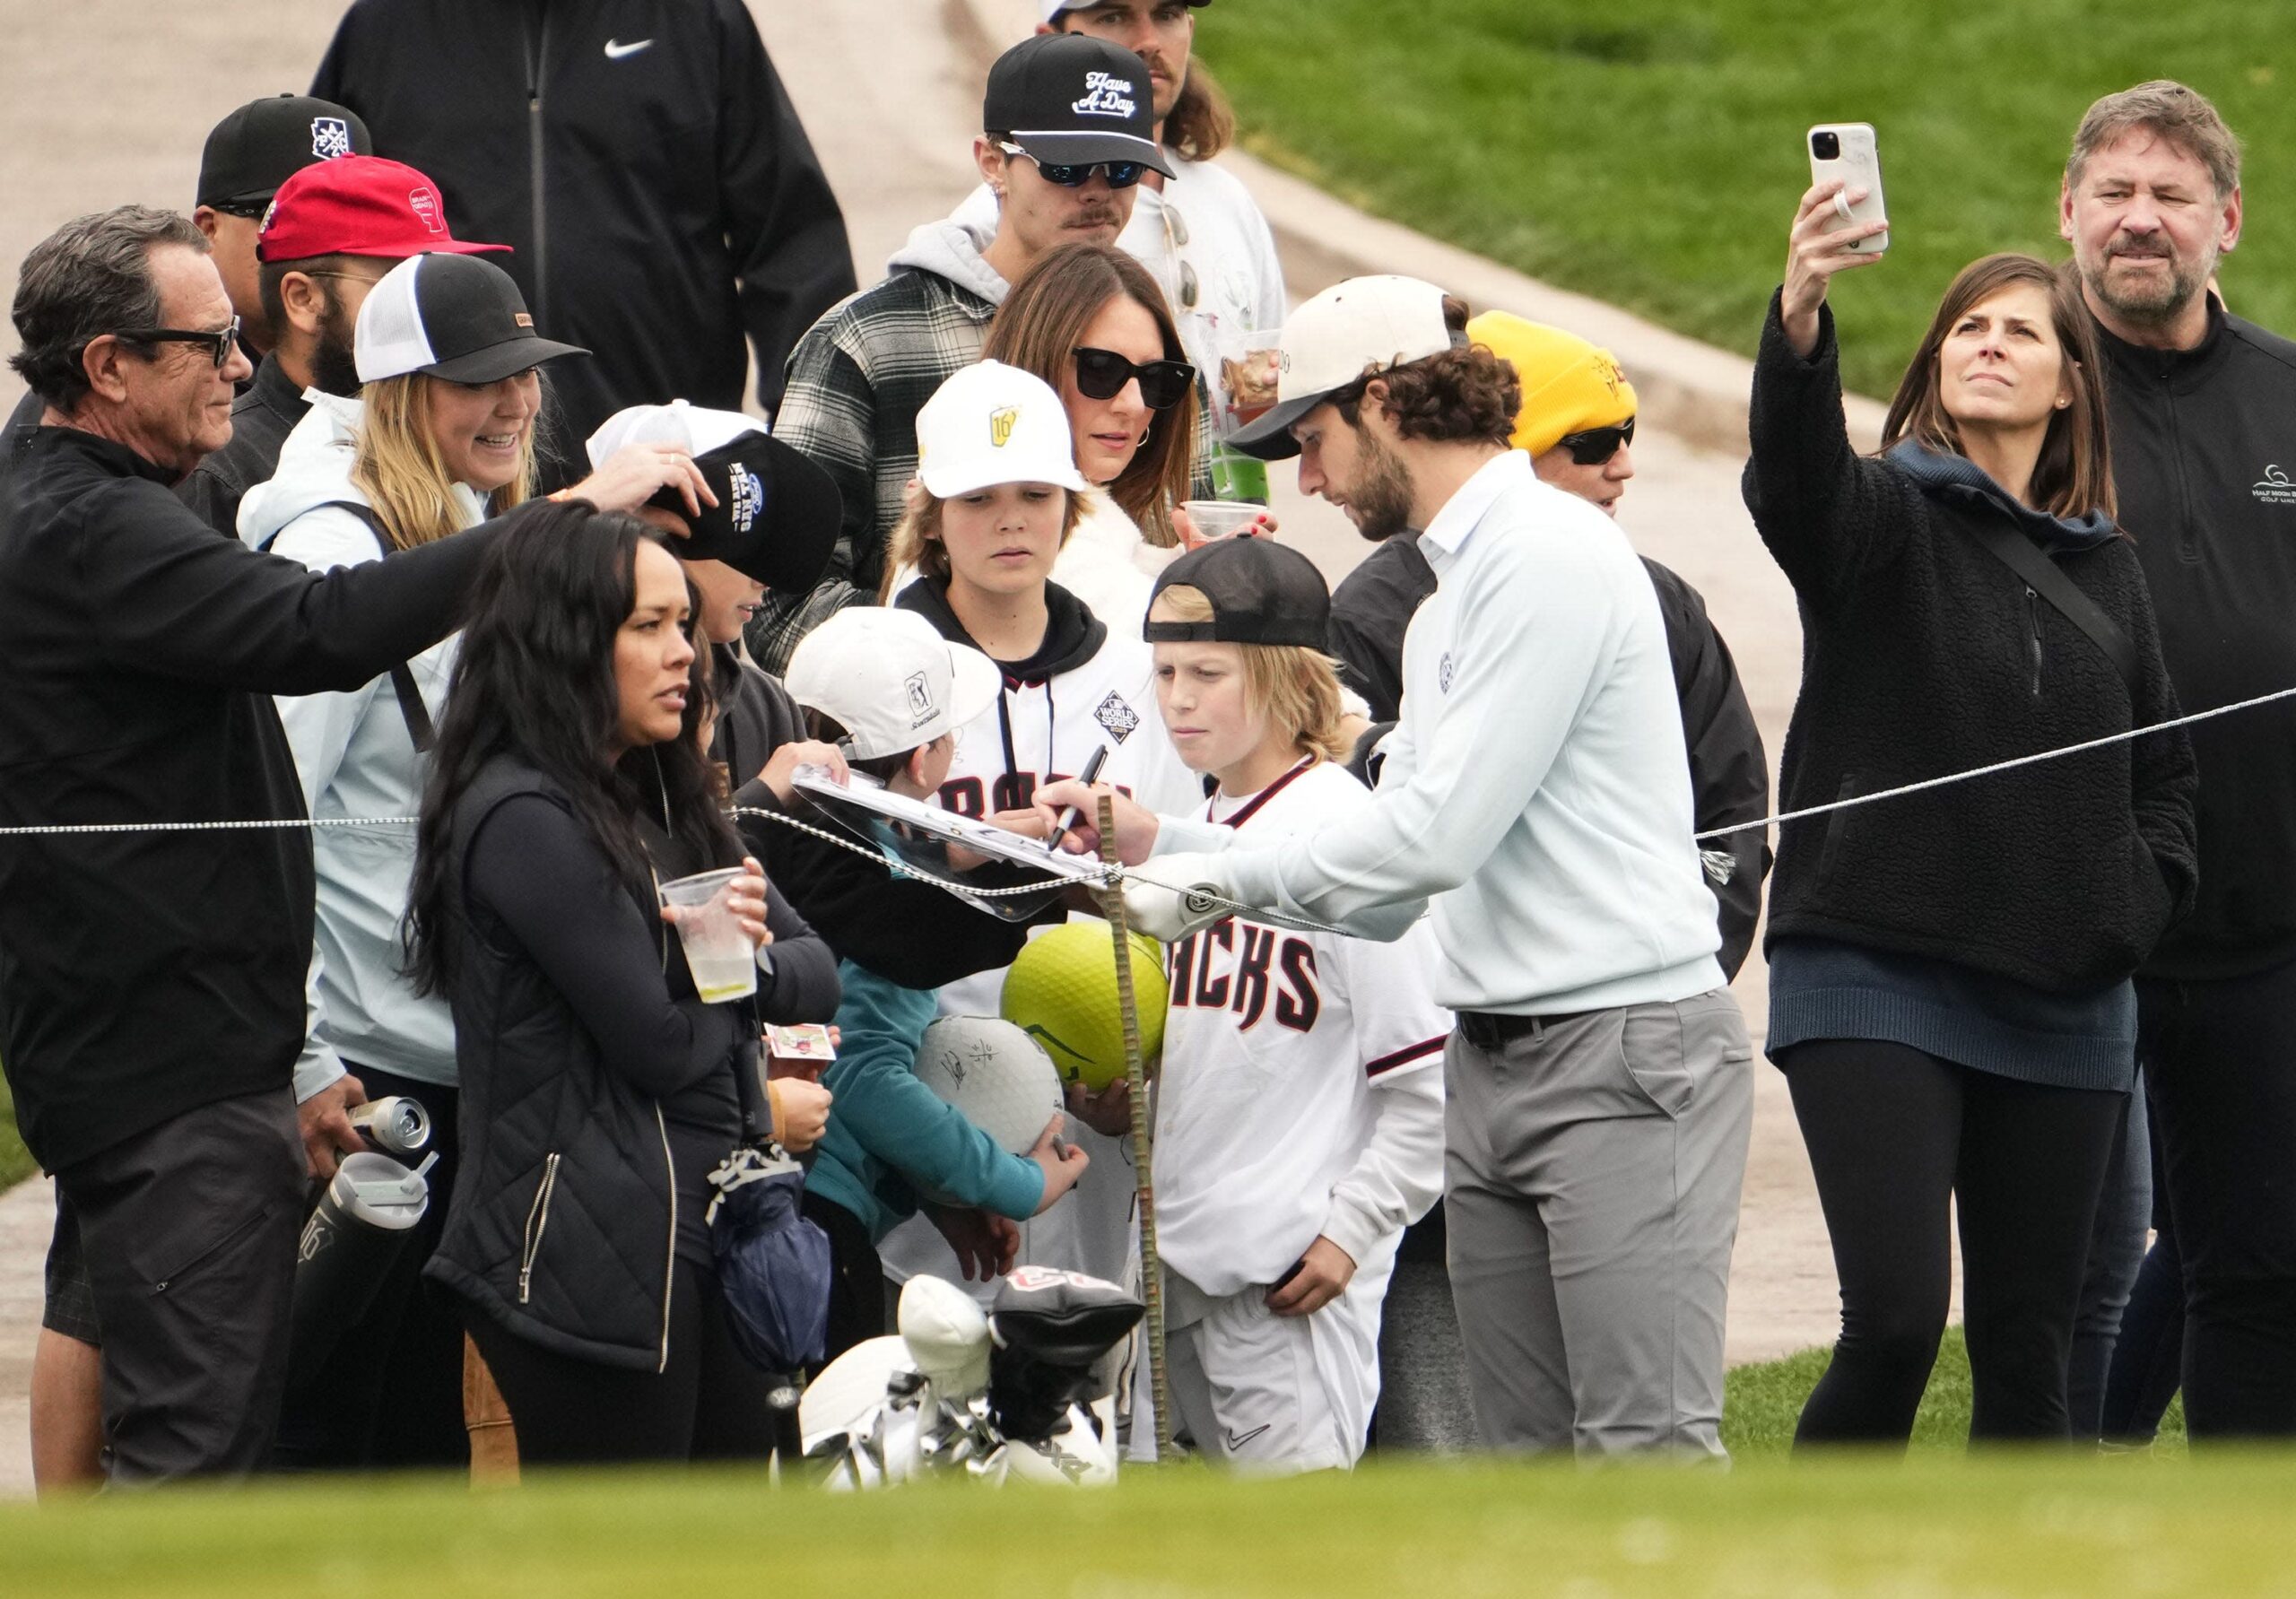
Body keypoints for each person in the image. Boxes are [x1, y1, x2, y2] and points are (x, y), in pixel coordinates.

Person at [1046, 274, 1756, 1457]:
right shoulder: (1445, 601)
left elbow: (1428, 842)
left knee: (1647, 1446)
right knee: (1522, 1461)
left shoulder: (1549, 553)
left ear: (1384, 400)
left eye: (1314, 440)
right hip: (1497, 1057)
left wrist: (1195, 875)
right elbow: (1382, 889)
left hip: (1625, 1051)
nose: (1310, 479)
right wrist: (1163, 842)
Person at [0, 206, 564, 1482]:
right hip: (174, 1075)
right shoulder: (93, 522)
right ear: (106, 365)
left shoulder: (83, 487)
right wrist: (550, 531)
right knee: (203, 1461)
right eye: (209, 345)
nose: (242, 369)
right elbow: (316, 626)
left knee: (251, 1438)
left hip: (180, 1058)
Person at [238, 250, 717, 1469]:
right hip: (365, 1072)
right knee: (336, 1427)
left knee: (426, 1436)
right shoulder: (335, 556)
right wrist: (300, 1060)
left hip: (470, 1054)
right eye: (472, 381)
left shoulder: (479, 534)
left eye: (522, 376)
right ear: (400, 391)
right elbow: (270, 817)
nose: (510, 404)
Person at [1745, 187, 2197, 1445]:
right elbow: (1792, 480)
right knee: (1894, 1321)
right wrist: (1801, 309)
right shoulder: (1877, 517)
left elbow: (2164, 778)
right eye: (1967, 327)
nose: (1988, 342)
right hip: (1875, 969)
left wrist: (2131, 902)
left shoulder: (2111, 563)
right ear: (1937, 365)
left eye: (2022, 331)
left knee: (2032, 1352)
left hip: (2065, 996)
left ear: (2069, 385)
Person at [405, 502, 839, 1465]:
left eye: (681, 622)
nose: (683, 651)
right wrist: (730, 971)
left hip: (710, 1229)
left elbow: (816, 971)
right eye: (647, 626)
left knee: (723, 1544)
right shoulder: (523, 814)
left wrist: (734, 963)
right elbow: (658, 1046)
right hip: (580, 1259)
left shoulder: (665, 792)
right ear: (564, 641)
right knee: (631, 1558)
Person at [2060, 80, 2296, 1441]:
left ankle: (2233, 1550)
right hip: (2086, 917)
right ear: (2071, 213)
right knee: (2071, 1274)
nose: (2142, 220)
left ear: (2228, 221)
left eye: (2172, 196)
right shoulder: (2021, 388)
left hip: (2265, 920)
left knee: (2258, 1262)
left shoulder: (2284, 396)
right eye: (2117, 193)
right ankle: (2054, 1509)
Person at [871, 359, 1201, 1306]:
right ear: (931, 511)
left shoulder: (1136, 671)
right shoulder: (880, 666)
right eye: (978, 496)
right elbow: (843, 894)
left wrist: (1139, 1061)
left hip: (1098, 1104)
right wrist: (962, 854)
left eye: (1035, 493)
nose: (1011, 519)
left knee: (1080, 1388)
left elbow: (1182, 875)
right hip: (932, 1089)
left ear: (1071, 504)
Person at [1125, 536, 1446, 1470]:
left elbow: (1425, 1078)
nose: (1177, 697)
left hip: (1287, 1286)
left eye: (1207, 671)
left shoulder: (1346, 838)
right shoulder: (1192, 832)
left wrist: (1352, 1231)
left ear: (1281, 677)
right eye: (1165, 670)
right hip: (1171, 1274)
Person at [1327, 313, 1772, 978]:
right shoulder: (1374, 617)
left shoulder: (1661, 602)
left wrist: (1689, 965)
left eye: (1628, 434)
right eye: (1592, 441)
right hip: (1439, 1013)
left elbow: (1728, 811)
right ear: (1508, 447)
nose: (1625, 465)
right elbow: (1347, 831)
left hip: (1633, 1009)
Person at [751, 30, 1170, 672]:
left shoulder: (1143, 331)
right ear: (992, 162)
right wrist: (970, 656)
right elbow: (779, 602)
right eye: (1064, 167)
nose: (1096, 192)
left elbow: (1166, 527)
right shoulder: (867, 339)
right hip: (917, 750)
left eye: (1120, 170)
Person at [309, 0, 855, 466]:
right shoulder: (384, 28)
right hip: (449, 464)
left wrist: (811, 434)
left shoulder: (695, 16)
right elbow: (312, 243)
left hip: (667, 462)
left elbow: (795, 242)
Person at [779, 604, 1091, 1361]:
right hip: (819, 1222)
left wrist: (938, 1196)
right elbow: (863, 1077)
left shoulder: (804, 835)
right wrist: (1014, 1184)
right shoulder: (884, 890)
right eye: (952, 729)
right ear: (924, 761)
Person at [960, 2, 1285, 437]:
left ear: (1190, 28)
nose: (1148, 41)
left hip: (1218, 501)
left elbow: (1258, 397)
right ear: (1048, 39)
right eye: (1113, 16)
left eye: (1167, 14)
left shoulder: (1229, 199)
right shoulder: (1005, 213)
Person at [182, 154, 505, 537]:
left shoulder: (473, 429)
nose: (435, 307)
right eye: (398, 282)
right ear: (303, 299)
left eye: (442, 278)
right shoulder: (224, 473)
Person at [191, 93, 373, 361]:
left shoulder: (406, 374)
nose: (329, 242)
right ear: (208, 231)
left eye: (350, 217)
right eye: (285, 215)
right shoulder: (171, 374)